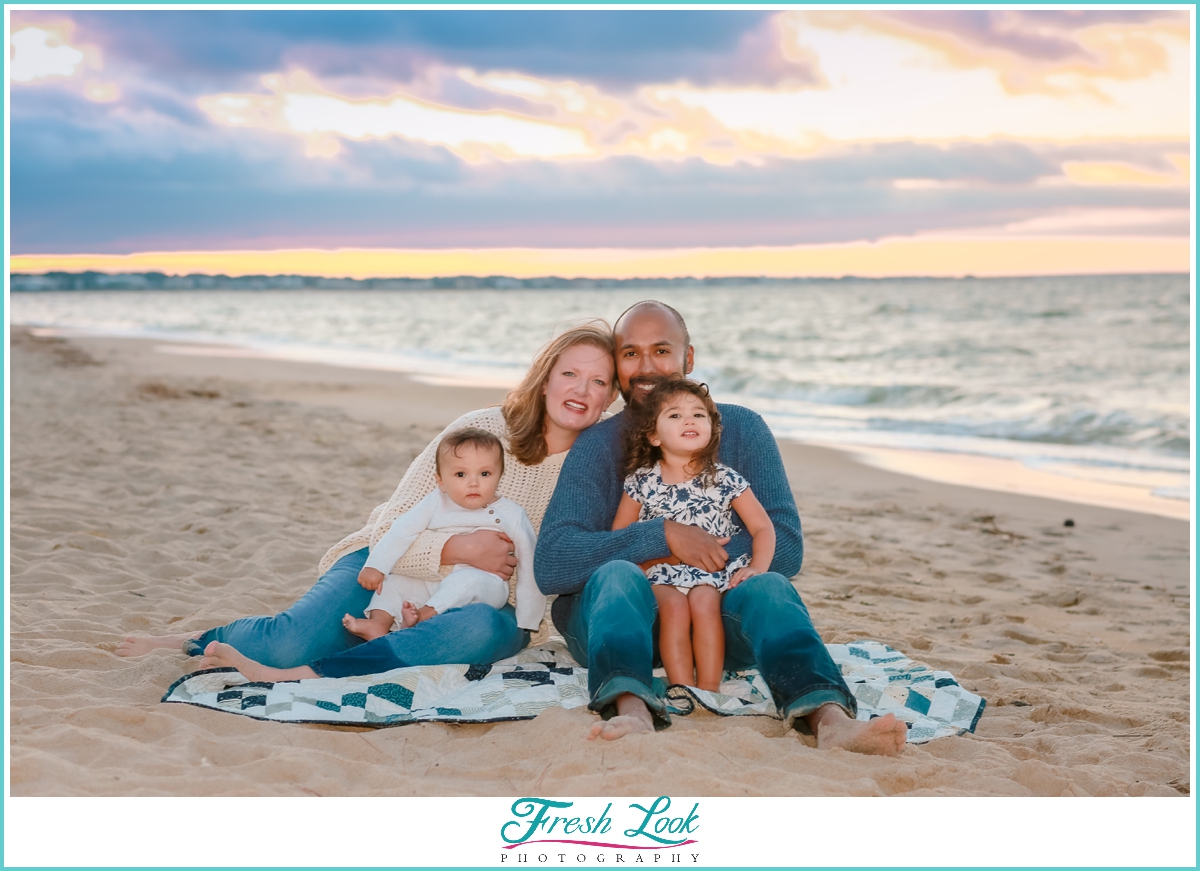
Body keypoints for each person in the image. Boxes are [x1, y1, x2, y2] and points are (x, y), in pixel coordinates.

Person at [116, 322, 618, 681]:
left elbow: (556, 573)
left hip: (476, 603)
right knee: (290, 639)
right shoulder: (484, 429)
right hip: (385, 565)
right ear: (546, 376)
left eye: (599, 382)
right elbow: (393, 522)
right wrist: (455, 551)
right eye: (571, 374)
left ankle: (312, 675)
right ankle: (198, 640)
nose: (581, 390)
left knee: (482, 631)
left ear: (611, 398)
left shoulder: (597, 468)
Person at [534, 301, 908, 755]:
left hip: (718, 623)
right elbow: (554, 562)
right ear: (617, 365)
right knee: (617, 574)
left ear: (688, 359)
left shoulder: (743, 429)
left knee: (769, 585)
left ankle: (829, 718)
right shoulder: (597, 445)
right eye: (630, 353)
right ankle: (632, 712)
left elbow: (786, 545)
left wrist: (698, 557)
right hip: (617, 622)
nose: (647, 366)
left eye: (662, 350)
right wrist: (664, 537)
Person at [613, 378, 775, 692]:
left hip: (709, 575)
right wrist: (642, 563)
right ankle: (682, 686)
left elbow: (763, 527)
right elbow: (619, 535)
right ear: (654, 435)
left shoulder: (725, 478)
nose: (689, 420)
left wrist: (758, 566)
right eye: (674, 415)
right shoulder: (642, 482)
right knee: (673, 609)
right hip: (659, 574)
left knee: (704, 603)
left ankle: (710, 690)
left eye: (698, 415)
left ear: (712, 429)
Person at [344, 427, 542, 641]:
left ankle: (424, 616)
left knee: (467, 580)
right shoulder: (435, 502)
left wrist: (528, 618)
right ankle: (378, 623)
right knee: (393, 583)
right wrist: (376, 566)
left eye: (484, 474)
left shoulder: (510, 514)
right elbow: (403, 530)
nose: (473, 482)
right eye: (460, 474)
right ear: (441, 481)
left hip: (485, 585)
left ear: (499, 475)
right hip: (434, 580)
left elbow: (530, 561)